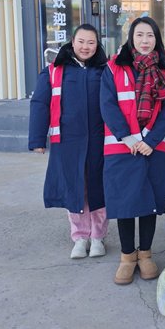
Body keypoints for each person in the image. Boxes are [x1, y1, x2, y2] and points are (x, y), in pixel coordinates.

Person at [101, 17, 165, 285]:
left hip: (153, 147)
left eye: (150, 36)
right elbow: (108, 106)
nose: (145, 41)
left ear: (157, 39)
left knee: (149, 203)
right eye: (140, 35)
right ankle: (127, 257)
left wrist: (151, 139)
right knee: (124, 204)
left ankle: (145, 255)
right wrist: (129, 137)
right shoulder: (113, 68)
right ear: (131, 38)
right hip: (122, 147)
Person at [29, 24, 109, 259]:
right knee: (74, 189)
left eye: (91, 42)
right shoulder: (54, 71)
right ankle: (80, 236)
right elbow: (40, 104)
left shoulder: (106, 71)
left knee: (98, 188)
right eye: (81, 41)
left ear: (98, 45)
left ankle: (98, 237)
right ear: (72, 42)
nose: (86, 47)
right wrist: (37, 138)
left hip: (99, 140)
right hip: (67, 141)